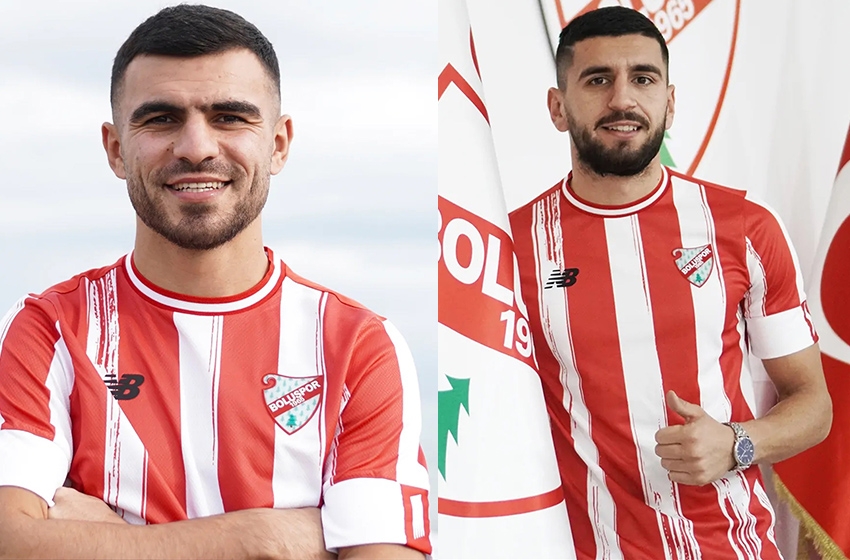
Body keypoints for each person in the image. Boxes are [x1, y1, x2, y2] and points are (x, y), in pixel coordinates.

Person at [0, 5, 430, 559]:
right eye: (161, 119)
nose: (196, 147)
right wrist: (268, 538)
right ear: (115, 149)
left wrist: (109, 542)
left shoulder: (358, 346)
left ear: (278, 143)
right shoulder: (50, 329)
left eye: (229, 117)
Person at [508, 7, 831, 558]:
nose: (622, 99)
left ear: (670, 102)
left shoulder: (745, 228)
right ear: (558, 108)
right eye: (597, 80)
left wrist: (737, 443)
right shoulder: (510, 247)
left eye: (643, 78)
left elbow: (814, 406)